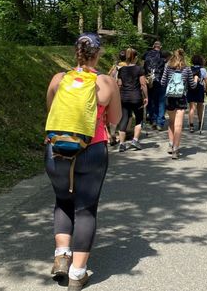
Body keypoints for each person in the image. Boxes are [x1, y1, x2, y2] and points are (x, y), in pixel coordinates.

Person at [45, 33, 121, 291]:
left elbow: (51, 112)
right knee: (86, 208)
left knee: (62, 200)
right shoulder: (106, 82)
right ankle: (78, 273)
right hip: (92, 149)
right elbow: (115, 119)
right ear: (98, 54)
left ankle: (62, 256)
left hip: (56, 150)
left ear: (75, 52)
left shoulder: (58, 79)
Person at [162, 49, 198, 159]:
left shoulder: (168, 67)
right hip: (181, 98)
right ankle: (176, 149)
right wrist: (196, 79)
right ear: (183, 57)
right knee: (178, 125)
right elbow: (192, 86)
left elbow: (163, 82)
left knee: (171, 122)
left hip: (170, 98)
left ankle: (171, 144)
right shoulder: (186, 69)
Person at [115, 48, 148, 152]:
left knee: (124, 119)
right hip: (136, 97)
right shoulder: (139, 69)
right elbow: (143, 84)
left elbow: (119, 84)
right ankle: (135, 140)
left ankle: (121, 144)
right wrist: (146, 97)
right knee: (138, 119)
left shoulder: (121, 70)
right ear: (135, 58)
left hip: (124, 97)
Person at [144, 41, 167, 130]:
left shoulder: (147, 54)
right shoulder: (163, 55)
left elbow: (144, 67)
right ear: (160, 47)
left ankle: (153, 119)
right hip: (160, 80)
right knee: (161, 102)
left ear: (153, 46)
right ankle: (160, 122)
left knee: (151, 100)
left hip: (149, 80)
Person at [188, 54, 207, 132]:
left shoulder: (189, 69)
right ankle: (200, 123)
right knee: (200, 107)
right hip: (199, 89)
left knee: (191, 108)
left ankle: (191, 125)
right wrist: (206, 90)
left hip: (191, 88)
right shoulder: (203, 70)